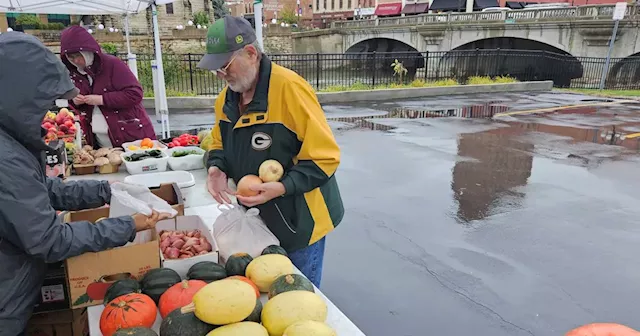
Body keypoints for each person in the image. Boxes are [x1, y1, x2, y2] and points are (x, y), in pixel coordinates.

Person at [0, 32, 171, 336]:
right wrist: (128, 225)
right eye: (41, 103)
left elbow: (40, 191)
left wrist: (107, 190)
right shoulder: (5, 156)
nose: (46, 113)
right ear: (18, 98)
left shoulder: (10, 141)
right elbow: (48, 240)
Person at [198, 16, 344, 287]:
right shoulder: (227, 98)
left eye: (225, 66)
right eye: (215, 69)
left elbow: (325, 157)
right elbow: (217, 142)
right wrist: (216, 167)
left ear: (251, 53)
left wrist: (284, 186)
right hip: (259, 215)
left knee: (297, 292)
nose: (221, 75)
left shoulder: (290, 89)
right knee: (265, 289)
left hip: (300, 219)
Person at [59, 25, 156, 149]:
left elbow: (135, 94)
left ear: (87, 51)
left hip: (131, 137)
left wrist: (101, 99)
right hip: (100, 141)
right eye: (71, 57)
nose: (76, 61)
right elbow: (72, 103)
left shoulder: (113, 64)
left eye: (78, 55)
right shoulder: (75, 73)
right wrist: (75, 101)